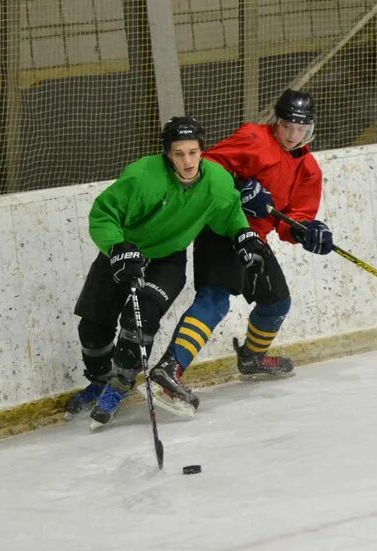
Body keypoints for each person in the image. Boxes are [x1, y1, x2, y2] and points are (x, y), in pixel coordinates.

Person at [66, 116, 266, 428]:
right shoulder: (143, 177)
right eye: (179, 154)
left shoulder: (217, 180)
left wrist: (243, 233)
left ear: (202, 150)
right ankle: (100, 379)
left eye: (193, 152)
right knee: (92, 330)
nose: (188, 161)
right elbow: (104, 214)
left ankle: (120, 385)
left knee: (141, 318)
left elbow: (229, 213)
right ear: (167, 154)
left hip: (167, 260)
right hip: (124, 253)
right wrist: (117, 247)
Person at [144, 89, 334, 413]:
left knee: (277, 302)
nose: (292, 135)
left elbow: (292, 220)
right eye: (287, 126)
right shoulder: (254, 138)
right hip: (221, 226)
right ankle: (168, 370)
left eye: (300, 129)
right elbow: (206, 168)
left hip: (254, 238)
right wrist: (239, 185)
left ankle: (251, 358)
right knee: (215, 299)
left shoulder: (309, 170)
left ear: (310, 129)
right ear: (277, 122)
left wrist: (308, 233)